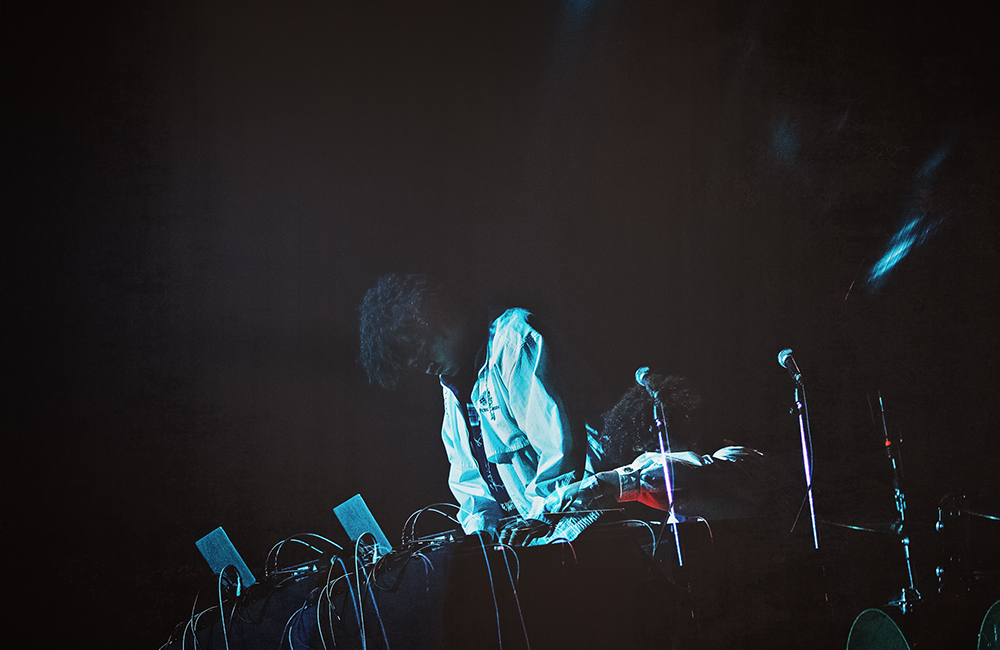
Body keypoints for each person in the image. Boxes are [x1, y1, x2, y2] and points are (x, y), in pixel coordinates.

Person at [358, 273, 763, 542]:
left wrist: (537, 520)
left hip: (596, 517)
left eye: (418, 347)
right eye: (407, 360)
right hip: (548, 531)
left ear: (437, 320)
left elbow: (561, 452)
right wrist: (479, 534)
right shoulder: (451, 386)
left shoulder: (515, 339)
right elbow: (470, 484)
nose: (418, 364)